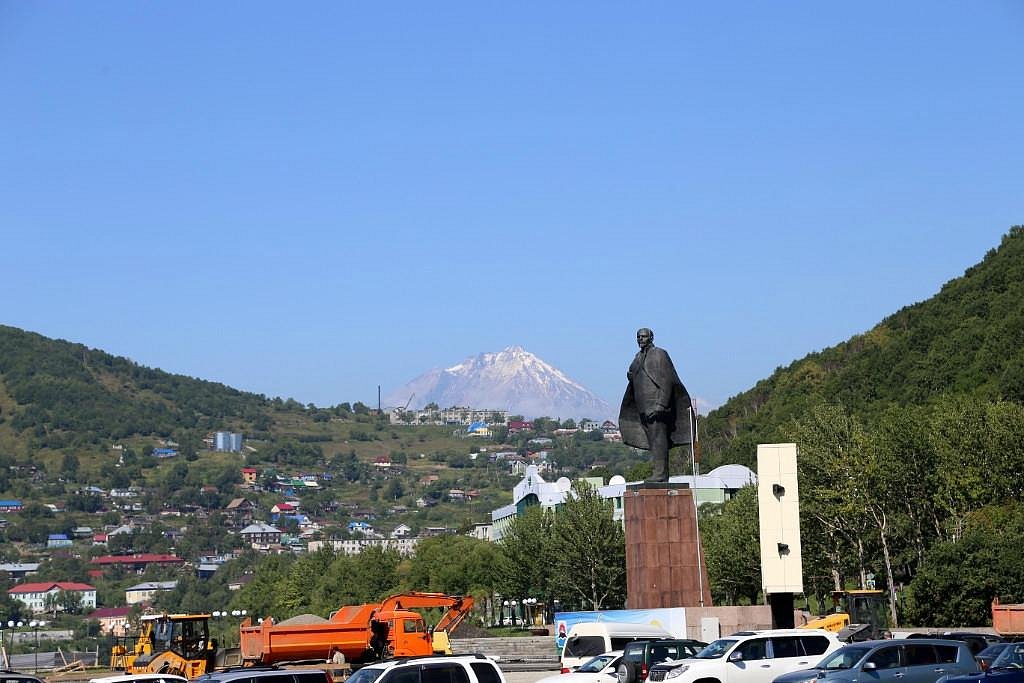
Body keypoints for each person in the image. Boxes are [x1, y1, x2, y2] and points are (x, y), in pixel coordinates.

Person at [619, 327, 694, 482]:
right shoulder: (638, 357)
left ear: (651, 337)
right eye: (638, 337)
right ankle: (657, 472)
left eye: (644, 336)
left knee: (659, 439)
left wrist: (661, 404)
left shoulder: (659, 354)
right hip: (642, 407)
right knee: (653, 441)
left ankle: (661, 474)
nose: (640, 339)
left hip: (656, 406)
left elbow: (667, 380)